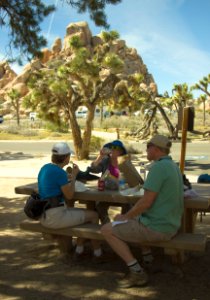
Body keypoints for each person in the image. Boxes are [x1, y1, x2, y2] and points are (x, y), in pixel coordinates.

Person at [101, 135, 184, 288]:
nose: (146, 150)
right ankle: (148, 260)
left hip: (158, 228)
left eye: (148, 147)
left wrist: (125, 217)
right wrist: (129, 217)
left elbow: (146, 201)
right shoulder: (172, 166)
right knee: (135, 218)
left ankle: (137, 272)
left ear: (156, 149)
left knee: (107, 230)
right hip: (170, 224)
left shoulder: (158, 168)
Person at [38, 142, 103, 261]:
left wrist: (67, 179)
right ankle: (97, 253)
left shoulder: (45, 168)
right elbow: (69, 196)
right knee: (94, 215)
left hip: (44, 215)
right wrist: (73, 177)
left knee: (84, 214)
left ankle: (79, 249)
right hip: (55, 217)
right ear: (66, 157)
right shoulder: (60, 173)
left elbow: (53, 186)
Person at [77, 140, 128, 224]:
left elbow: (128, 179)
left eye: (115, 148)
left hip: (121, 193)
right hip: (106, 193)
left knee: (129, 205)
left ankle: (122, 227)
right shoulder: (106, 161)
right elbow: (93, 169)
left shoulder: (124, 162)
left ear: (121, 151)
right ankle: (106, 225)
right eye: (111, 148)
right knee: (99, 206)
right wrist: (100, 157)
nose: (112, 150)